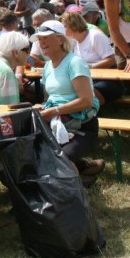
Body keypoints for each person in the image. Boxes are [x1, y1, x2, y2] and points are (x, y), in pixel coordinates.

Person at [30, 20, 104, 186]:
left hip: (82, 126)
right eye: (39, 39)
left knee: (59, 158)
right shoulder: (48, 66)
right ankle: (84, 171)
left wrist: (55, 111)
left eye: (46, 37)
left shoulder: (75, 62)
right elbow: (50, 98)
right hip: (58, 123)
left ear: (61, 39)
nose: (41, 42)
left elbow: (86, 100)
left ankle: (74, 192)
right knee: (38, 154)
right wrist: (43, 107)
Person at [60, 12, 122, 107]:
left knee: (86, 92)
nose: (62, 29)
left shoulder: (95, 36)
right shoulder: (74, 41)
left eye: (64, 26)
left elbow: (112, 60)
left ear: (73, 25)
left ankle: (90, 114)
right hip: (89, 79)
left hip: (108, 80)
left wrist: (91, 67)